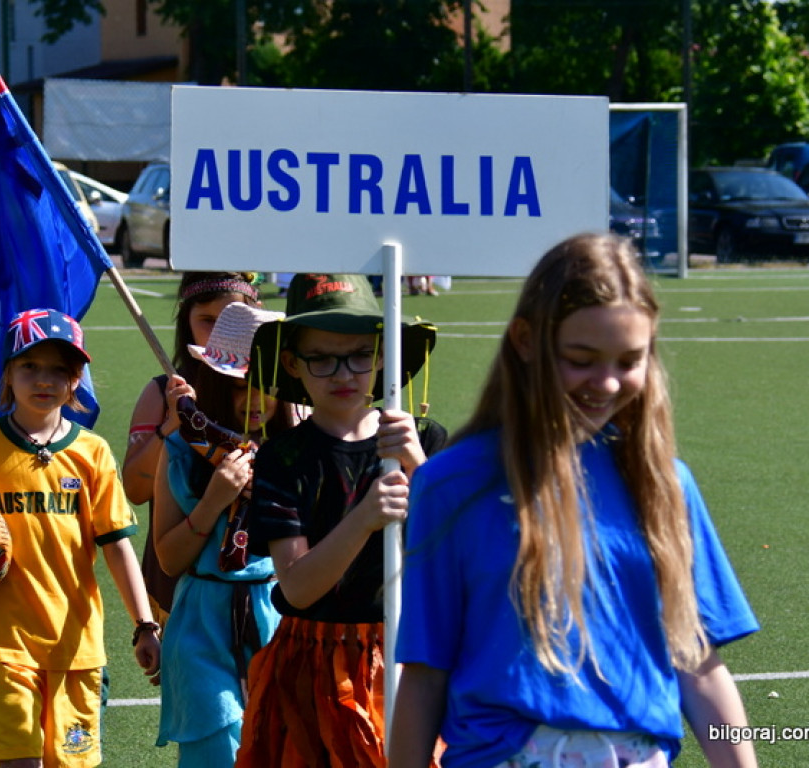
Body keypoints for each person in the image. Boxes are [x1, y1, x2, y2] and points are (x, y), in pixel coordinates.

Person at [388, 233, 760, 768]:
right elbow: (425, 673)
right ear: (524, 341)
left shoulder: (666, 484)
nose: (606, 383)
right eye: (581, 359)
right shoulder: (451, 484)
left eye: (629, 360)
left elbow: (699, 664)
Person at [0, 308, 161, 768]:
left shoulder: (91, 453)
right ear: (7, 373)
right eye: (30, 366)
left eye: (59, 369)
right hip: (5, 646)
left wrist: (145, 625)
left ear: (77, 379)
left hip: (78, 650)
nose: (44, 379)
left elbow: (117, 544)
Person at [234, 273, 446, 768]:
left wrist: (422, 471)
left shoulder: (424, 440)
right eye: (322, 358)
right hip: (313, 664)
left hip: (406, 652)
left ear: (382, 357)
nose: (343, 373)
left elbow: (467, 549)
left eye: (359, 355)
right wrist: (365, 518)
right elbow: (300, 588)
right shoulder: (284, 458)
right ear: (291, 363)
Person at [152, 301, 295, 766]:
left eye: (266, 386)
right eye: (239, 385)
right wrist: (216, 498)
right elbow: (170, 560)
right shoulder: (180, 447)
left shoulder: (301, 452)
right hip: (201, 621)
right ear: (215, 381)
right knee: (214, 748)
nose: (253, 400)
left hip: (278, 616)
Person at [121, 272, 262, 627]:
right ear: (187, 322)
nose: (218, 332)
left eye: (233, 318)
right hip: (182, 577)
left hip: (262, 581)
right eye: (207, 320)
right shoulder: (161, 391)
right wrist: (171, 424)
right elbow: (135, 490)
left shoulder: (278, 390)